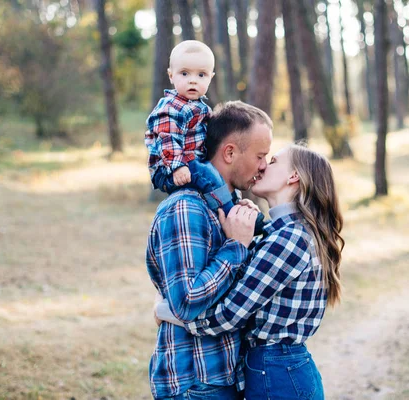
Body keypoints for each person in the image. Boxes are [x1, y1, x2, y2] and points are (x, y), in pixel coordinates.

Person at [155, 144, 344, 400]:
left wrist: (169, 311)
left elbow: (229, 315)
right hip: (277, 370)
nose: (264, 165)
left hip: (278, 374)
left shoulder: (289, 239)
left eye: (274, 160)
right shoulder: (280, 233)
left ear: (293, 177)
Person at [146, 101, 273, 400]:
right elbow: (187, 301)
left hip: (225, 377)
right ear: (229, 152)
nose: (265, 165)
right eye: (260, 155)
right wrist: (236, 247)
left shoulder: (229, 209)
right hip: (195, 385)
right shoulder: (186, 208)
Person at [145, 40, 265, 234]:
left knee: (218, 177)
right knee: (209, 176)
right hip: (169, 167)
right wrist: (177, 166)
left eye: (201, 75)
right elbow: (166, 139)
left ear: (211, 77)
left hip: (192, 162)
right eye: (184, 73)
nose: (193, 80)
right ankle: (230, 212)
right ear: (171, 75)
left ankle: (237, 208)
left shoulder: (201, 108)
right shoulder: (170, 107)